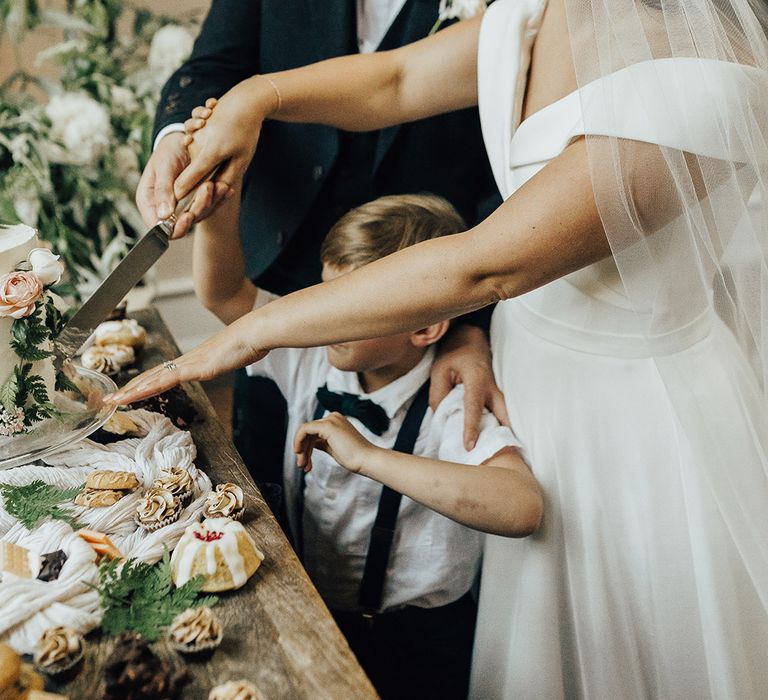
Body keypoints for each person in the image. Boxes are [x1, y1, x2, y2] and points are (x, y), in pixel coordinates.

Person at [112, 0, 768, 696]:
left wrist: (256, 328)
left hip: (627, 427)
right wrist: (256, 98)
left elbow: (487, 265)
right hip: (521, 375)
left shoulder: (714, 76)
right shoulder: (542, 11)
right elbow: (392, 81)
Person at [137, 0, 504, 497]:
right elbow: (214, 64)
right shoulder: (297, 354)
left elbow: (503, 160)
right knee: (261, 483)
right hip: (281, 267)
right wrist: (188, 151)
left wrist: (470, 317)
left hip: (434, 287)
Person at [192, 187, 542, 699]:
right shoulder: (311, 356)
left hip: (419, 643)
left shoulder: (450, 398)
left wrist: (372, 458)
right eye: (326, 296)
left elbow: (522, 505)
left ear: (425, 326)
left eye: (353, 305)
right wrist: (218, 210)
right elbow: (223, 294)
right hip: (314, 609)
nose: (327, 316)